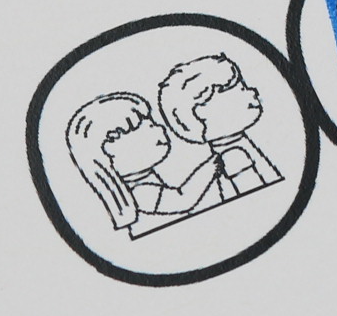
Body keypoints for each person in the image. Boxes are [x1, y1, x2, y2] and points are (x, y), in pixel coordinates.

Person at [64, 92, 216, 237]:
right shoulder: (139, 191)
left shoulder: (144, 179)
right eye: (148, 126)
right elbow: (182, 201)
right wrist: (211, 166)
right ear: (110, 148)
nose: (160, 128)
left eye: (153, 123)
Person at [156, 55, 281, 203]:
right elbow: (258, 197)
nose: (253, 92)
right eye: (241, 89)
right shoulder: (234, 154)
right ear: (202, 111)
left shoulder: (235, 147)